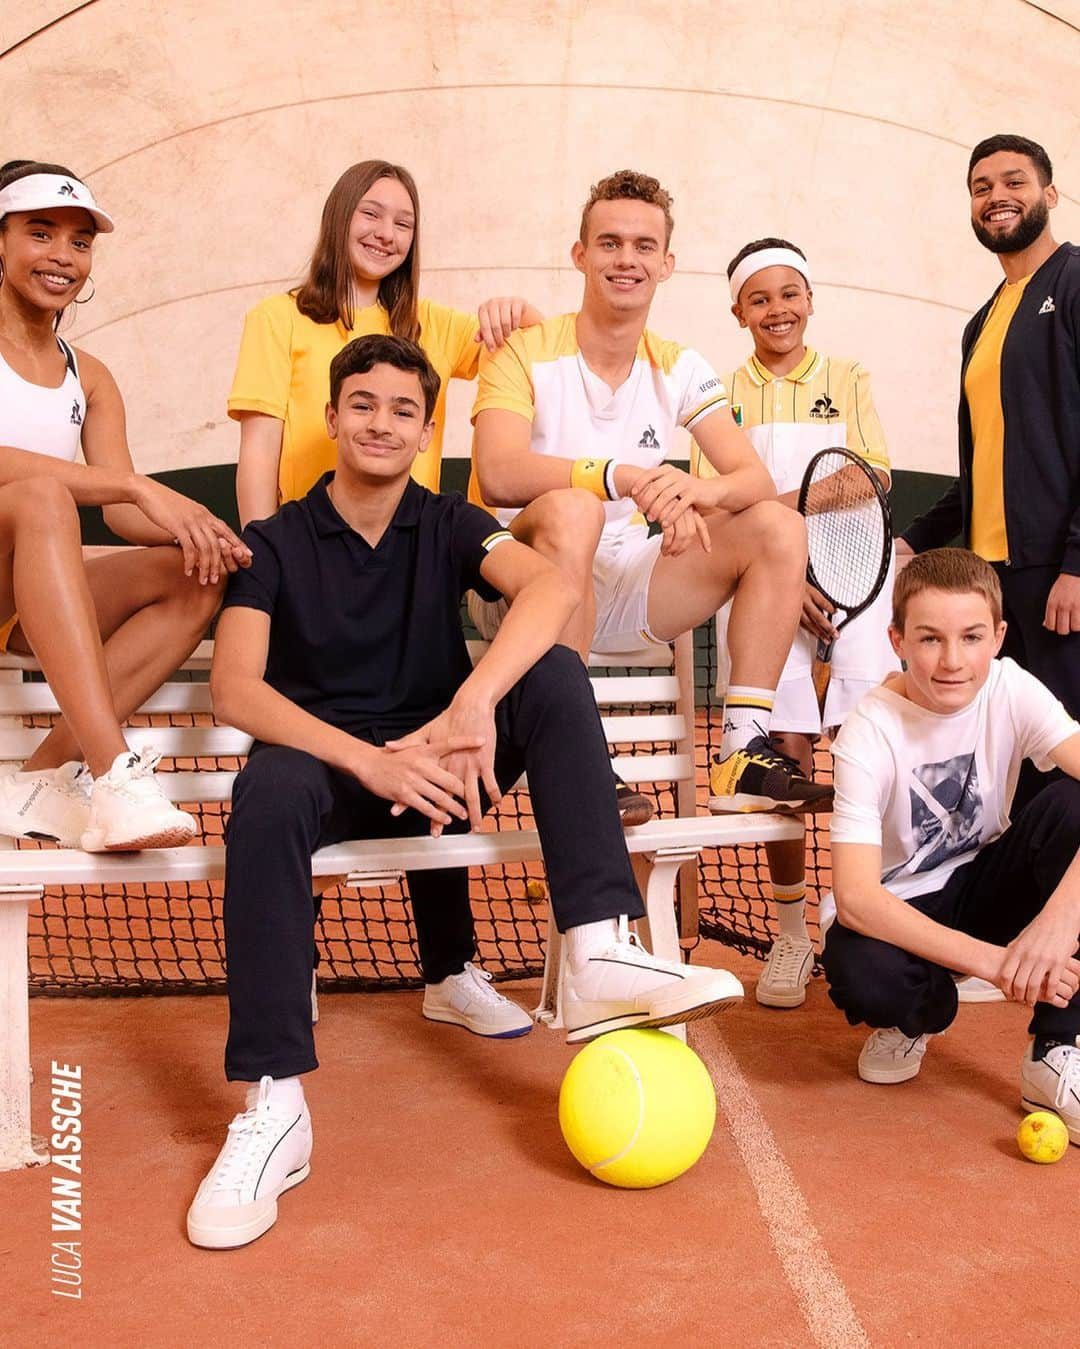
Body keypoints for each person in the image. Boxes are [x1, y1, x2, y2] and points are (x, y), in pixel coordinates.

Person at [187, 334, 744, 1249]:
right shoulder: (275, 540)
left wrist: (475, 701)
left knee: (554, 677)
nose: (381, 422)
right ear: (331, 418)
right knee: (269, 791)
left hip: (449, 767)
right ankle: (274, 1104)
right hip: (336, 773)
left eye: (404, 410)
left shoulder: (449, 521)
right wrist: (369, 761)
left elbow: (551, 592)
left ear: (425, 429)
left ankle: (600, 952)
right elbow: (238, 690)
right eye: (362, 404)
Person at [469, 170, 829, 821]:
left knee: (778, 525)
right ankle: (577, 753)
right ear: (580, 255)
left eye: (642, 245)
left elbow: (748, 476)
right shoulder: (522, 352)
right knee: (575, 509)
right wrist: (621, 477)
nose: (625, 258)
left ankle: (743, 750)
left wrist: (697, 491)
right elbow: (497, 472)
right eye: (609, 243)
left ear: (666, 264)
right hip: (517, 589)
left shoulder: (679, 364)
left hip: (625, 580)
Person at [0, 159, 250, 851]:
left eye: (80, 242)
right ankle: (113, 769)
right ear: (0, 239)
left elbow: (122, 514)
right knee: (44, 495)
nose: (62, 256)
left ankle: (44, 774)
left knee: (195, 572)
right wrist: (136, 486)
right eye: (41, 233)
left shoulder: (92, 375)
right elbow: (107, 490)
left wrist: (195, 528)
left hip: (20, 598)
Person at [692, 238, 898, 1009]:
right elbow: (712, 500)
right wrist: (781, 571)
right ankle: (790, 933)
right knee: (782, 756)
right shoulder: (714, 393)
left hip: (857, 580)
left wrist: (801, 555)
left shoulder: (847, 377)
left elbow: (870, 475)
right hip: (758, 584)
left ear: (810, 300)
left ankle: (855, 914)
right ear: (739, 310)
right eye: (760, 298)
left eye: (790, 294)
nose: (777, 309)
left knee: (866, 743)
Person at [821, 548, 1080, 1145]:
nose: (952, 661)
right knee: (862, 972)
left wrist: (1058, 926)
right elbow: (856, 899)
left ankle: (1057, 1048)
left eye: (971, 637)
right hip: (902, 908)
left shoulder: (1011, 687)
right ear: (897, 640)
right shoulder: (868, 731)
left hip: (987, 880)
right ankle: (921, 1014)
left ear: (999, 637)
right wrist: (996, 964)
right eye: (930, 639)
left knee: (1071, 807)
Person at [228, 159, 544, 524]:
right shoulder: (276, 319)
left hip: (411, 550)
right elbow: (259, 451)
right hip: (312, 546)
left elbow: (542, 357)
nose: (386, 234)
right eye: (371, 215)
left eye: (403, 224)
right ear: (339, 217)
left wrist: (520, 312)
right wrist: (263, 556)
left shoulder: (434, 324)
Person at [900, 135, 1080, 722]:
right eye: (982, 188)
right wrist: (914, 539)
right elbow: (985, 462)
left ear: (1049, 194)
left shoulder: (1075, 284)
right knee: (1023, 768)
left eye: (1013, 182)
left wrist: (1078, 565)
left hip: (1061, 580)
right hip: (994, 581)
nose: (996, 197)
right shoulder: (980, 324)